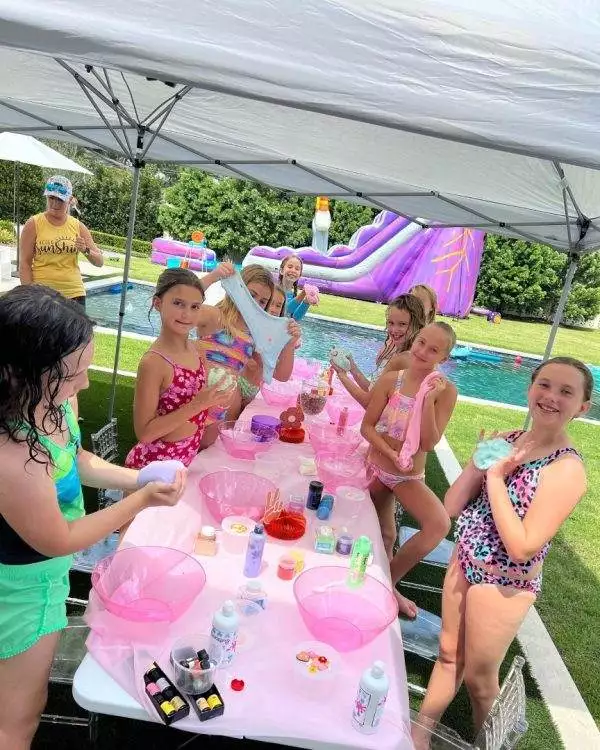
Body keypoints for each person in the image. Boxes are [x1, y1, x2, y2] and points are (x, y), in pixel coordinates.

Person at [0, 285, 186, 749]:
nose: (83, 383)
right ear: (27, 369)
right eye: (72, 373)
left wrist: (139, 476)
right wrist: (140, 501)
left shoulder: (51, 401)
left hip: (40, 576)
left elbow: (77, 458)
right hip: (21, 591)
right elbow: (59, 538)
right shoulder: (11, 454)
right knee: (16, 719)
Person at [413, 357, 590, 748]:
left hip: (504, 581)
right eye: (544, 385)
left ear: (582, 407)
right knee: (447, 654)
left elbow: (523, 546)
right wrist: (479, 464)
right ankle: (419, 736)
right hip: (465, 558)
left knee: (479, 681)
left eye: (566, 391)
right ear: (530, 389)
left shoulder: (566, 470)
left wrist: (494, 477)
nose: (550, 397)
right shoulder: (509, 440)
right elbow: (453, 504)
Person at [361, 322, 458, 618]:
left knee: (438, 524)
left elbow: (428, 442)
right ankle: (386, 588)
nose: (423, 352)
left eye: (434, 350)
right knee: (385, 535)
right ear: (414, 341)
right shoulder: (392, 380)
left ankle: (385, 583)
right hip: (378, 467)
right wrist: (389, 451)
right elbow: (367, 427)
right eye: (421, 343)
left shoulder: (446, 392)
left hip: (407, 476)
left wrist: (427, 400)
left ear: (444, 357)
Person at [125, 266, 237, 469]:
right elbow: (145, 433)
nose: (187, 314)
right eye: (178, 304)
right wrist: (198, 405)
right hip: (152, 468)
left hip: (184, 462)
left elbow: (194, 402)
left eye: (195, 307)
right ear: (158, 303)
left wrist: (215, 398)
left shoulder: (197, 350)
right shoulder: (155, 362)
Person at [196, 265, 300, 448]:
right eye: (251, 295)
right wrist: (213, 277)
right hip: (195, 401)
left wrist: (290, 344)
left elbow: (281, 375)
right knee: (179, 452)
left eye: (262, 301)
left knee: (205, 454)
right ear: (238, 288)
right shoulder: (214, 316)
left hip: (223, 409)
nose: (255, 303)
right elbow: (183, 301)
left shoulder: (254, 335)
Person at [19, 176, 104, 308]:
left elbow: (99, 262)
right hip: (42, 295)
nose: (54, 204)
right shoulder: (34, 224)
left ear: (70, 200)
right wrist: (29, 295)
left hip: (73, 295)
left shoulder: (78, 226)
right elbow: (24, 263)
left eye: (60, 199)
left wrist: (85, 250)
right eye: (51, 198)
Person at [333, 294, 426, 407]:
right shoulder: (399, 353)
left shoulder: (405, 359)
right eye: (391, 323)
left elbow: (369, 403)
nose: (394, 330)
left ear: (417, 325)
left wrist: (342, 375)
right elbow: (372, 389)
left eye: (402, 324)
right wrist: (352, 367)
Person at [230, 284, 288, 418]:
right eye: (270, 303)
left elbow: (281, 375)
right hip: (237, 384)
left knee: (239, 422)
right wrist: (247, 359)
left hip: (255, 389)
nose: (273, 309)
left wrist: (289, 344)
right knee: (228, 425)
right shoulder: (247, 326)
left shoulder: (276, 334)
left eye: (278, 305)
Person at [279, 255, 317, 321]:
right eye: (290, 267)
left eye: (297, 269)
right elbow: (285, 310)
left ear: (300, 275)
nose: (293, 270)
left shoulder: (292, 295)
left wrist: (306, 301)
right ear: (281, 271)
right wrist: (303, 293)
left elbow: (295, 318)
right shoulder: (275, 290)